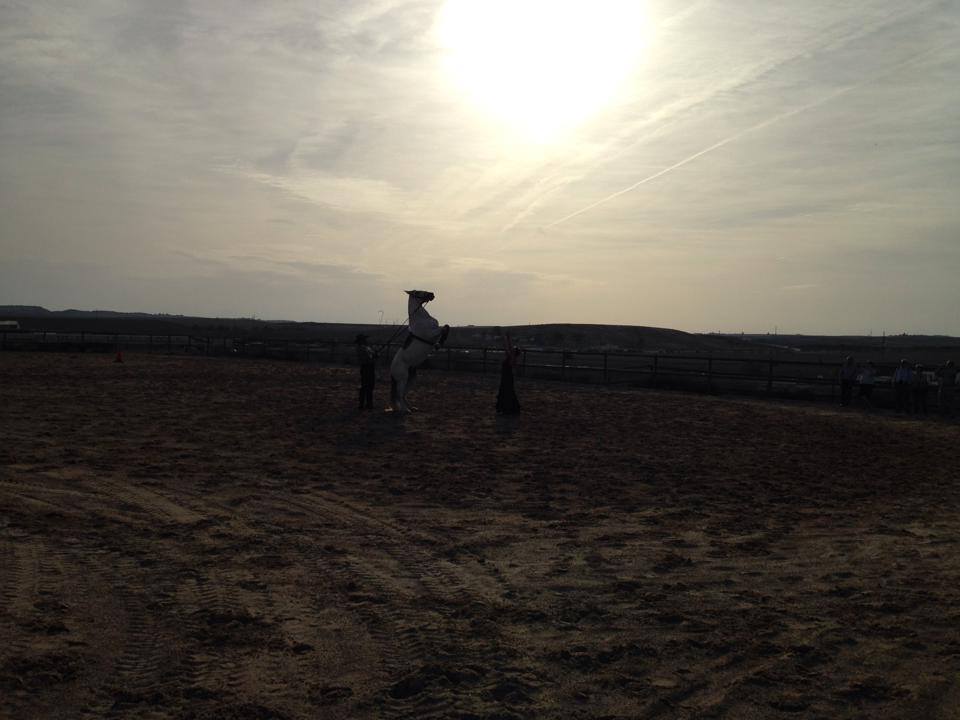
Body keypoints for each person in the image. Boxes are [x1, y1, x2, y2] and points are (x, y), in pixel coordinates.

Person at [496, 333, 521, 415]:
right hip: (506, 377)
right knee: (506, 392)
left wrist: (505, 340)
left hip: (507, 377)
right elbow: (509, 348)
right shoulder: (511, 357)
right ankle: (507, 409)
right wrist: (508, 338)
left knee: (507, 392)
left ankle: (507, 409)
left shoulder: (511, 358)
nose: (512, 349)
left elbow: (507, 349)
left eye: (514, 350)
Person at [355, 333, 377, 410]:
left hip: (368, 368)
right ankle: (366, 404)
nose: (366, 340)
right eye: (364, 339)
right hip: (367, 368)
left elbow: (371, 356)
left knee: (367, 386)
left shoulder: (365, 348)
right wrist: (374, 356)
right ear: (361, 340)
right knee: (367, 386)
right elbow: (368, 359)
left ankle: (366, 404)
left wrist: (374, 355)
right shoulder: (362, 348)